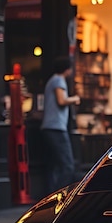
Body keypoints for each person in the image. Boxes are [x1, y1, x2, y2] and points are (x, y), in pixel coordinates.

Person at [40, 57, 81, 195]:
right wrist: (75, 99)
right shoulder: (58, 80)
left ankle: (50, 196)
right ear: (67, 69)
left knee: (54, 166)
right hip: (56, 128)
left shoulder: (52, 80)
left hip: (49, 127)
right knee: (67, 165)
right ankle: (61, 195)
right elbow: (61, 100)